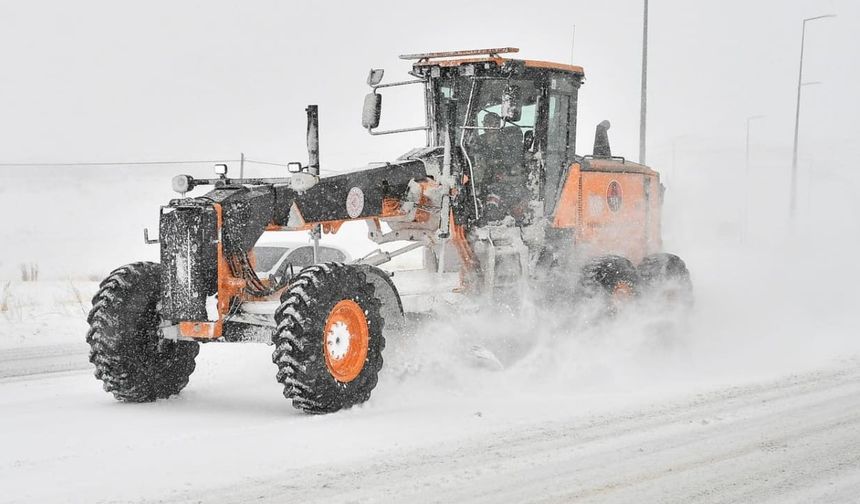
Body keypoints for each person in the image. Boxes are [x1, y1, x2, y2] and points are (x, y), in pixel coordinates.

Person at [470, 112, 527, 222]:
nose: (491, 126)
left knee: (495, 197)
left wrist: (506, 177)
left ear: (499, 125)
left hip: (502, 181)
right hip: (481, 180)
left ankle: (495, 218)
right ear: (483, 124)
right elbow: (474, 160)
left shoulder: (508, 143)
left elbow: (515, 166)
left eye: (495, 123)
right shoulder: (477, 142)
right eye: (488, 123)